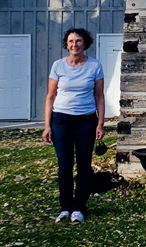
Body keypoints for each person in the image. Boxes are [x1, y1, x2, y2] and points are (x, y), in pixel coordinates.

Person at [42, 28, 105, 224]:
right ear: (66, 44)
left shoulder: (95, 65)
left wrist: (100, 123)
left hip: (86, 120)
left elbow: (99, 96)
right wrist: (47, 126)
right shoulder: (58, 66)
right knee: (64, 166)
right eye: (71, 41)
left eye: (78, 41)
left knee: (84, 166)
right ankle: (65, 208)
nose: (74, 45)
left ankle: (79, 207)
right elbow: (50, 96)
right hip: (61, 120)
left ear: (85, 43)